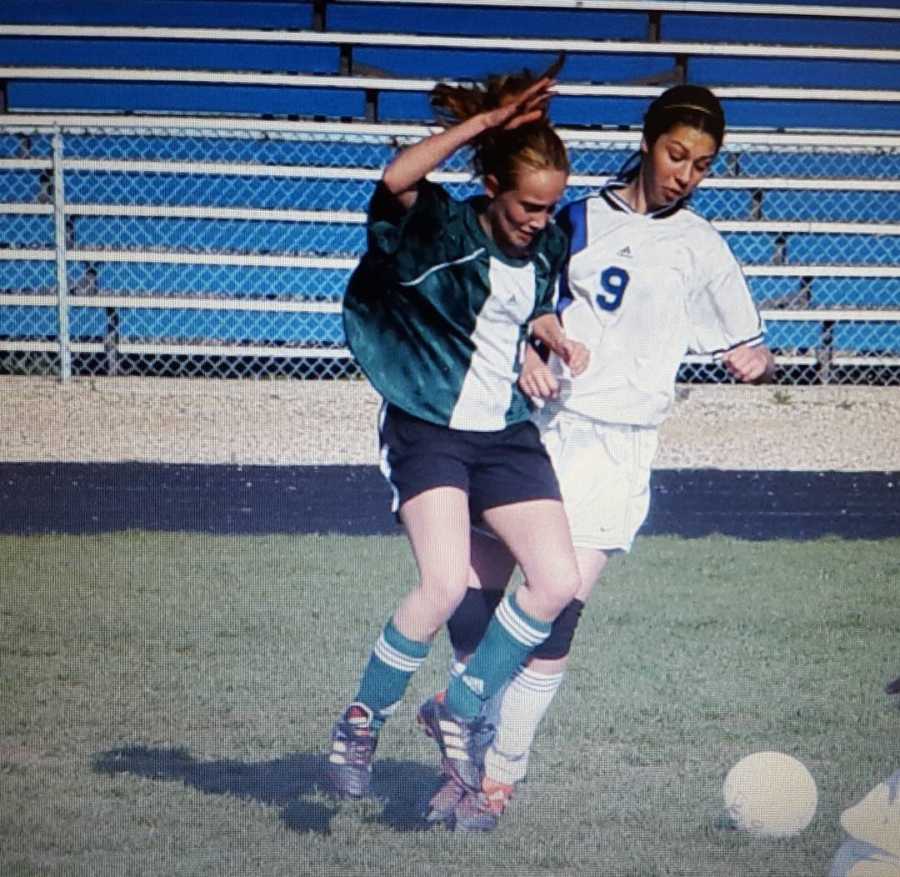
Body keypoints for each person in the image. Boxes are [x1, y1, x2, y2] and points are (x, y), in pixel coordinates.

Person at [427, 83, 777, 830]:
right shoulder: (577, 219)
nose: (685, 173)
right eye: (676, 153)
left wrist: (754, 358)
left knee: (555, 612)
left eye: (703, 165)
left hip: (618, 448)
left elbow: (747, 343)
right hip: (537, 430)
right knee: (471, 595)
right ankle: (463, 758)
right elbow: (517, 300)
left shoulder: (705, 249)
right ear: (648, 141)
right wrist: (528, 346)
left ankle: (498, 775)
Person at [327, 58, 591, 801]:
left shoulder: (546, 245)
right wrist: (482, 124)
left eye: (551, 209)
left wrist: (552, 337)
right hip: (430, 424)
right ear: (492, 188)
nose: (540, 221)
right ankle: (360, 718)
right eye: (528, 207)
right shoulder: (437, 226)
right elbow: (395, 178)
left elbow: (530, 305)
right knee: (444, 583)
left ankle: (461, 704)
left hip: (505, 431)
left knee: (559, 580)